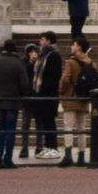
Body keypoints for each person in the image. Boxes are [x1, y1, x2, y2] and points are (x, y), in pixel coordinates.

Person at [0, 39, 32, 168]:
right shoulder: (18, 64)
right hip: (13, 101)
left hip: (0, 101)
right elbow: (25, 85)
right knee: (11, 130)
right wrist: (20, 94)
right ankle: (8, 159)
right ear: (14, 49)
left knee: (2, 130)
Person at [60, 35, 98, 167]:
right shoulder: (90, 62)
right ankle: (81, 155)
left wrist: (62, 90)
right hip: (83, 98)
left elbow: (65, 79)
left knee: (69, 127)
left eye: (74, 44)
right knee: (82, 128)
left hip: (71, 97)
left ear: (79, 47)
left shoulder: (71, 62)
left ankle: (68, 155)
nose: (72, 46)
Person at [31, 31, 65, 159]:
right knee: (45, 121)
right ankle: (48, 146)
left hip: (49, 94)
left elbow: (54, 76)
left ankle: (53, 147)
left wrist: (44, 88)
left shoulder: (53, 55)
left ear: (49, 41)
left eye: (43, 39)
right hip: (41, 94)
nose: (41, 41)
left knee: (49, 120)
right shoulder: (43, 55)